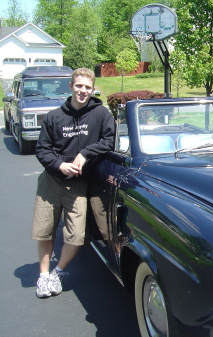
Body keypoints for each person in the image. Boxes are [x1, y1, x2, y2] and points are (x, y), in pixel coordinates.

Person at [31, 68, 115, 298]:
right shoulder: (54, 116)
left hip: (78, 185)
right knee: (45, 232)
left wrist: (86, 153)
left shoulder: (100, 114)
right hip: (51, 181)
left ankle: (58, 272)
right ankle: (43, 276)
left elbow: (109, 140)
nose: (83, 91)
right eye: (79, 86)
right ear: (70, 86)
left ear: (93, 89)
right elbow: (42, 150)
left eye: (87, 87)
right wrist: (60, 165)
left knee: (76, 237)